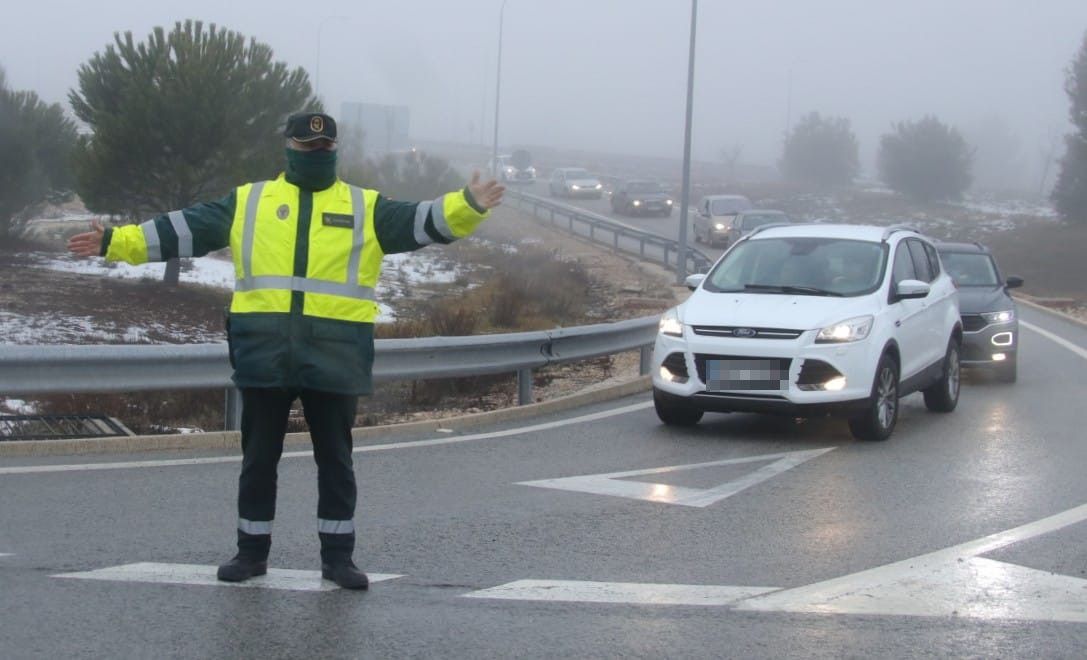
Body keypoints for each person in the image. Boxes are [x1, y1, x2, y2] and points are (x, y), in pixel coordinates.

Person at [68, 112, 505, 590]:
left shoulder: (365, 208)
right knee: (259, 460)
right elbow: (179, 230)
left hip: (335, 357)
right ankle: (250, 554)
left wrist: (468, 205)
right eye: (307, 146)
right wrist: (115, 241)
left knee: (335, 461)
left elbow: (424, 221)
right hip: (265, 353)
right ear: (289, 149)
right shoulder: (250, 202)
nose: (316, 153)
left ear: (334, 149)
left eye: (324, 146)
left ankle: (339, 559)